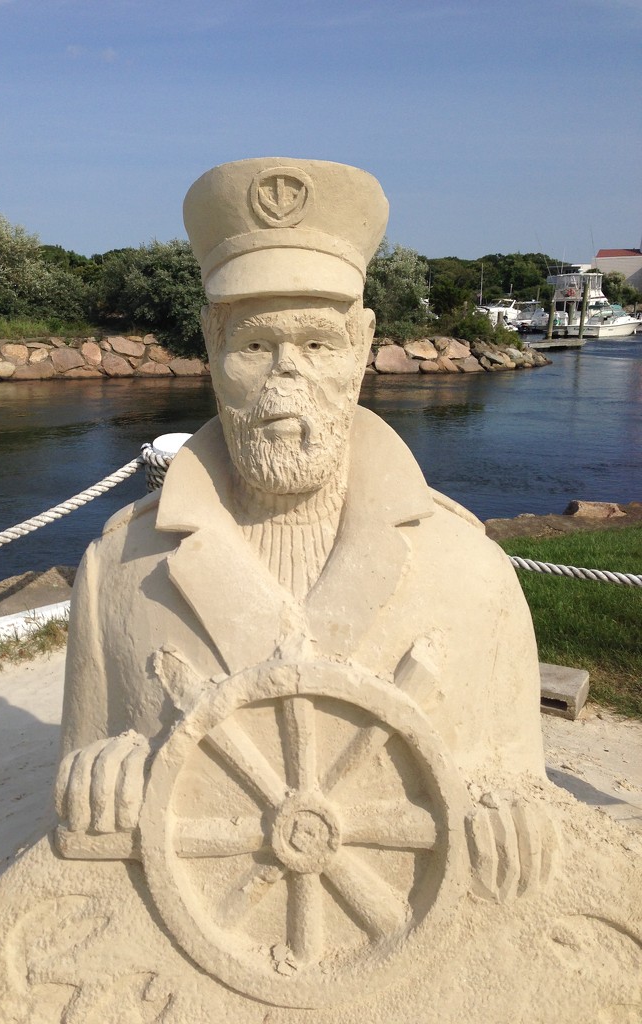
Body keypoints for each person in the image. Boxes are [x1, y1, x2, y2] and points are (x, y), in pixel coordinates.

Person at [56, 159, 544, 858]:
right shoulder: (114, 574)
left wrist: (513, 808)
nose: (288, 372)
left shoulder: (476, 575)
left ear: (364, 345)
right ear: (211, 345)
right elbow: (83, 760)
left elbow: (521, 777)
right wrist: (103, 773)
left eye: (318, 343)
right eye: (256, 344)